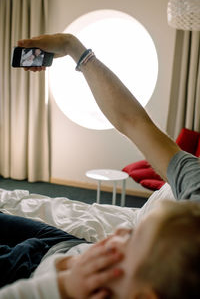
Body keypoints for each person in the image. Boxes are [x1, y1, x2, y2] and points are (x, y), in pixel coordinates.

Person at [1, 33, 199, 298]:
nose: (118, 231)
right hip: (62, 245)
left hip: (32, 273)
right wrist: (73, 47)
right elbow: (134, 121)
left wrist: (62, 285)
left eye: (133, 238)